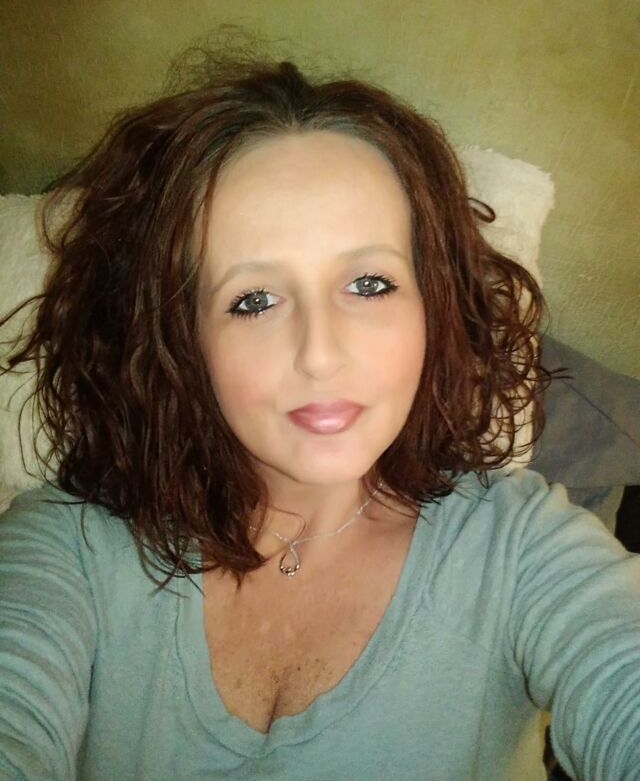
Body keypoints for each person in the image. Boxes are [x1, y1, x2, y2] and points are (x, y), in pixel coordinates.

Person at [0, 50, 638, 781]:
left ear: (432, 306)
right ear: (182, 338)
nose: (321, 354)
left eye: (369, 283)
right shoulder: (69, 548)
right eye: (254, 300)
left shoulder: (519, 549)